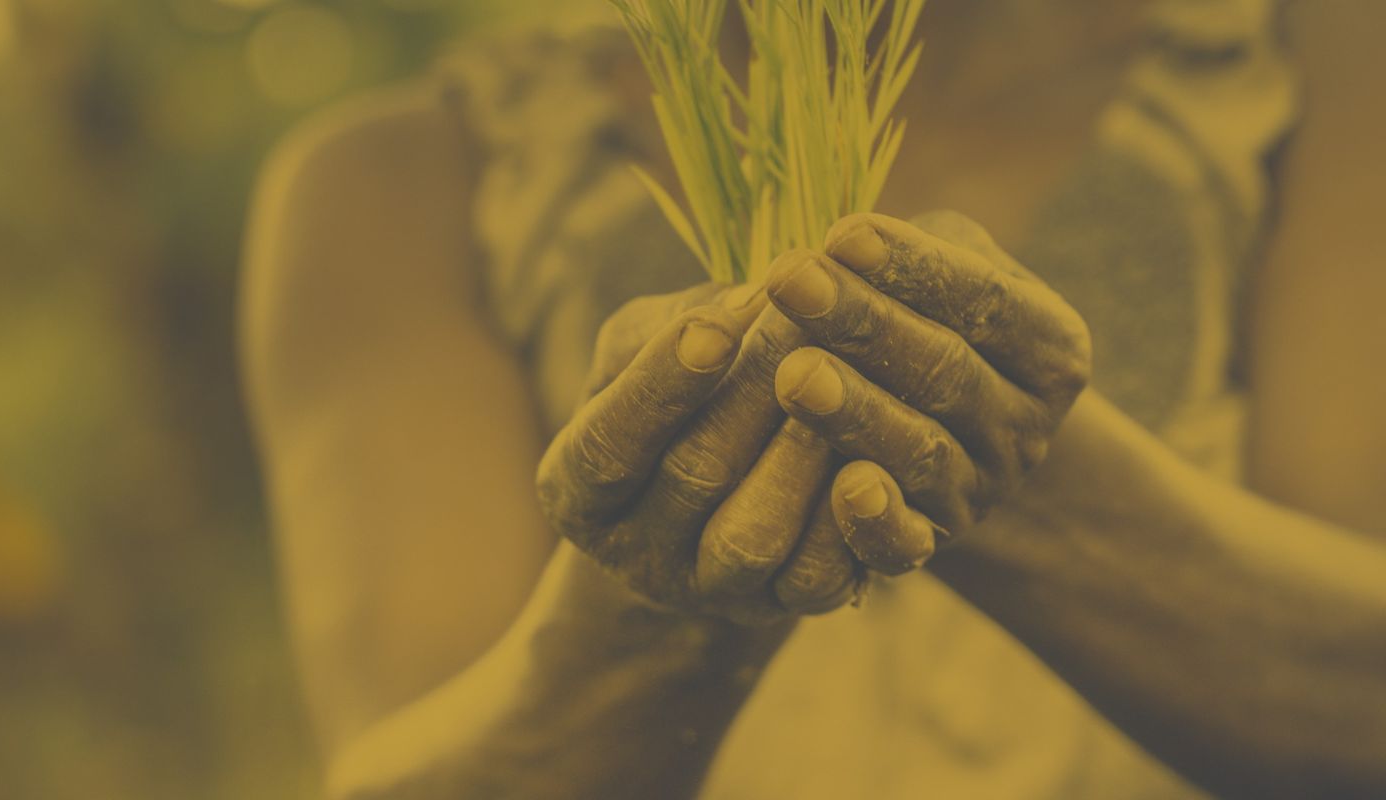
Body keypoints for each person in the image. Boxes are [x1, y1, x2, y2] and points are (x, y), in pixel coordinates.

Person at [239, 1, 1386, 797]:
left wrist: (1006, 479)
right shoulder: (398, 191)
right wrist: (644, 625)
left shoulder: (1321, 75)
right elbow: (402, 767)